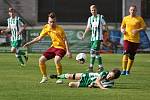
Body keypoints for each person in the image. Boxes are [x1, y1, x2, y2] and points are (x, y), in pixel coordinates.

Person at [23, 12, 72, 83]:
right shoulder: (46, 27)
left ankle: (60, 77)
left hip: (61, 48)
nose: (52, 23)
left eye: (53, 22)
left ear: (56, 21)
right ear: (48, 21)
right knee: (41, 60)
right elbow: (39, 38)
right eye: (50, 22)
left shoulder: (60, 29)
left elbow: (65, 40)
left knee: (56, 60)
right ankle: (44, 77)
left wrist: (68, 51)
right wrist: (29, 43)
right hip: (53, 47)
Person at [120, 5, 146, 75]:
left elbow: (144, 27)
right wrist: (122, 30)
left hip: (135, 40)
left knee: (131, 55)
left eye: (134, 10)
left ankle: (128, 71)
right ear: (129, 10)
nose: (132, 11)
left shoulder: (139, 19)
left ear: (136, 11)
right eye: (131, 10)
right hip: (127, 38)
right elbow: (122, 27)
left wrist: (137, 30)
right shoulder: (125, 18)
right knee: (126, 52)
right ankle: (123, 70)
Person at [82, 5, 109, 72]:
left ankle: (91, 67)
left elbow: (105, 25)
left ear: (96, 10)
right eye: (92, 10)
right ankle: (100, 67)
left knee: (92, 51)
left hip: (98, 38)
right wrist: (84, 35)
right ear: (90, 11)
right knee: (96, 53)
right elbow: (88, 27)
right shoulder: (90, 18)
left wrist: (107, 33)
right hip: (93, 38)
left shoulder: (100, 17)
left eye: (94, 10)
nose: (93, 11)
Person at [50, 68, 121, 89]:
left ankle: (69, 83)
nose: (109, 76)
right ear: (110, 72)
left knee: (71, 84)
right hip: (87, 76)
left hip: (87, 83)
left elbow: (97, 85)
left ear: (114, 78)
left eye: (111, 76)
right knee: (70, 76)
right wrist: (102, 88)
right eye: (109, 74)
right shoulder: (105, 73)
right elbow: (97, 80)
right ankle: (57, 76)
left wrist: (93, 85)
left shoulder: (110, 84)